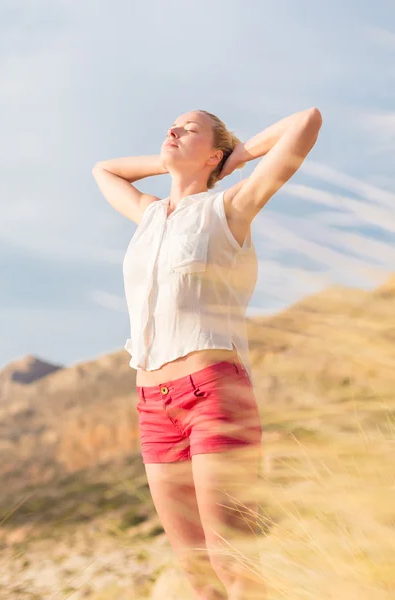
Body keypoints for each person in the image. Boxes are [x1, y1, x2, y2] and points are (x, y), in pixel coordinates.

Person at [92, 108, 322, 599]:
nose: (172, 131)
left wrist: (237, 159)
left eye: (188, 128)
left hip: (213, 395)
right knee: (196, 574)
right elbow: (104, 170)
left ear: (214, 152)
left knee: (232, 562)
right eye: (169, 126)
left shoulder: (231, 206)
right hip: (153, 406)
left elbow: (307, 121)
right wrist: (169, 161)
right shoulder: (150, 213)